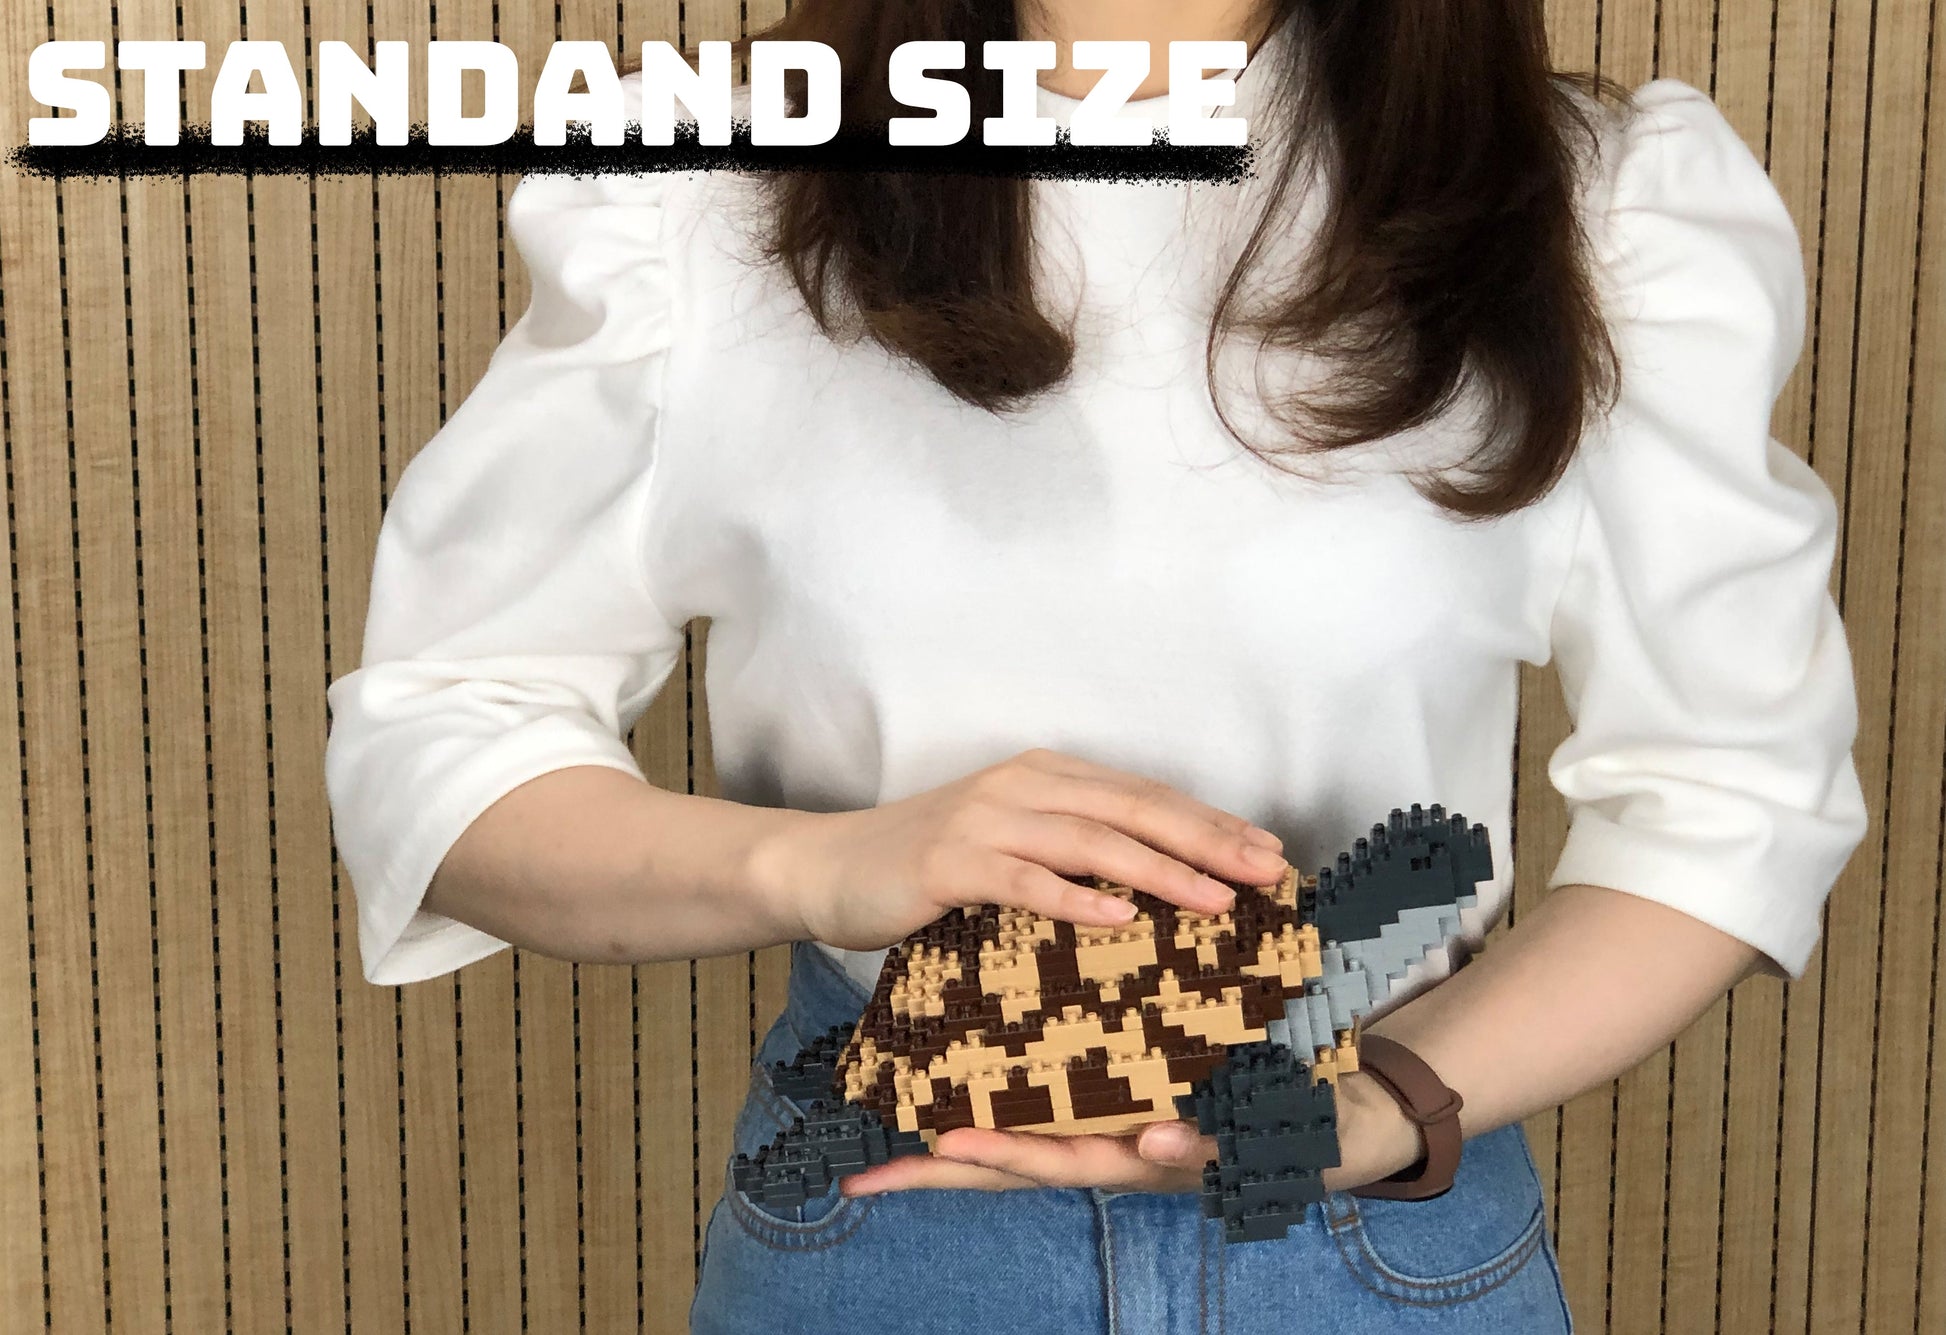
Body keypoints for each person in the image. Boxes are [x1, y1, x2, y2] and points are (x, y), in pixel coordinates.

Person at [322, 2, 1869, 1331]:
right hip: (884, 1222)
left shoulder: (1602, 211)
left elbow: (1726, 796)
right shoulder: (704, 195)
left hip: (1375, 1234)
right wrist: (820, 863)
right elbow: (443, 742)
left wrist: (1373, 1105)